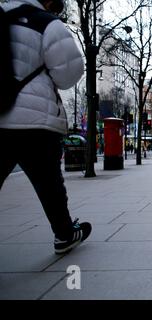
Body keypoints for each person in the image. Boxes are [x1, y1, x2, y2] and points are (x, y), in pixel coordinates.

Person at [0, 0, 91, 254]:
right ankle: (64, 234)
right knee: (49, 183)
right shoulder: (46, 23)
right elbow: (69, 75)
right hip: (35, 121)